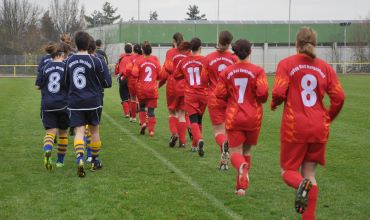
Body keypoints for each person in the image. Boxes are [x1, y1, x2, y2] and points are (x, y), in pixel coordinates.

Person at [271, 27, 345, 219]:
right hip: (319, 126)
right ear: (315, 44)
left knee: (288, 171)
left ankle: (300, 184)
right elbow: (339, 97)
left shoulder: (287, 64)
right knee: (310, 173)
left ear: (297, 44)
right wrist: (328, 117)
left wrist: (274, 103)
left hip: (295, 126)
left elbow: (279, 92)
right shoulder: (325, 67)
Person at [215, 39, 268, 196]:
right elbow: (263, 94)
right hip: (253, 116)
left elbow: (219, 93)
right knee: (246, 150)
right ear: (250, 52)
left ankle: (241, 171)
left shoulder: (226, 72)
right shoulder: (258, 71)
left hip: (234, 115)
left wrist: (230, 98)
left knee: (235, 152)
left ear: (235, 53)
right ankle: (241, 188)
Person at [65, 31, 112, 177]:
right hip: (93, 101)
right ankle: (95, 161)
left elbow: (65, 82)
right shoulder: (96, 60)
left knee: (79, 131)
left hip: (75, 102)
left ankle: (80, 158)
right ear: (88, 44)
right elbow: (107, 83)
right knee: (94, 131)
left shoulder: (69, 60)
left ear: (76, 44)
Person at [203, 30, 237, 169]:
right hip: (231, 99)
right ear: (230, 43)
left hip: (215, 97)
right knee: (228, 131)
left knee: (219, 132)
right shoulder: (234, 59)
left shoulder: (209, 58)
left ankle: (223, 150)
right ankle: (224, 163)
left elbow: (203, 80)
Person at [35, 42, 69, 170]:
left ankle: (48, 151)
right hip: (63, 104)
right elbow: (69, 86)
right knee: (63, 133)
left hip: (47, 104)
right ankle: (60, 161)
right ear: (61, 54)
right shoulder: (66, 67)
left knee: (50, 133)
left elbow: (38, 85)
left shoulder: (45, 67)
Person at [175, 37, 208, 156]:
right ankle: (195, 145)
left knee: (193, 120)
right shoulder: (205, 60)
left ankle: (198, 139)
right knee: (199, 120)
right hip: (204, 94)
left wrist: (186, 76)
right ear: (200, 48)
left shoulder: (184, 61)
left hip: (190, 94)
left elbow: (176, 75)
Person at [162, 33, 192, 148]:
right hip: (185, 85)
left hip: (172, 84)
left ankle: (174, 133)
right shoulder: (188, 52)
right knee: (182, 114)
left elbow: (168, 67)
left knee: (172, 112)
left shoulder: (170, 52)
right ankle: (183, 141)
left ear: (174, 41)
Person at [131, 41, 163, 136]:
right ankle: (151, 131)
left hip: (142, 89)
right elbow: (160, 75)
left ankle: (143, 123)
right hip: (152, 89)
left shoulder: (139, 61)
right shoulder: (155, 61)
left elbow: (134, 74)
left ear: (143, 51)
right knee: (151, 111)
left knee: (142, 107)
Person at [116, 44, 134, 119]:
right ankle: (131, 111)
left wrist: (117, 72)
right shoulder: (134, 58)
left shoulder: (121, 58)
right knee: (130, 96)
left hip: (123, 78)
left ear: (125, 50)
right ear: (132, 50)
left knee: (123, 96)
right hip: (131, 78)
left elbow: (117, 69)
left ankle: (127, 113)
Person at [127, 44, 143, 122]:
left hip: (132, 81)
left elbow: (128, 69)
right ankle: (141, 119)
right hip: (141, 81)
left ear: (134, 50)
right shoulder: (143, 58)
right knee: (140, 100)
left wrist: (125, 76)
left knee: (133, 99)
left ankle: (133, 117)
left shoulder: (131, 58)